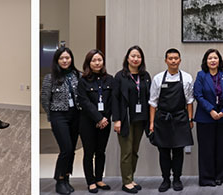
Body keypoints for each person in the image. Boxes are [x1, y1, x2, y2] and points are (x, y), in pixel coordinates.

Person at [149, 48, 194, 192]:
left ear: (180, 60)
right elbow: (153, 102)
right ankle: (165, 179)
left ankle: (177, 179)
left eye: (176, 58)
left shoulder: (187, 77)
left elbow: (189, 101)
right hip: (162, 119)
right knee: (163, 152)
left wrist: (190, 119)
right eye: (170, 58)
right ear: (166, 61)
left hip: (180, 118)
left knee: (178, 151)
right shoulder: (158, 78)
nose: (173, 61)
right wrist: (151, 123)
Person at [112, 46, 151, 194]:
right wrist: (116, 120)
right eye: (133, 56)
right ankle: (126, 181)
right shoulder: (120, 76)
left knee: (134, 151)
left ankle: (131, 177)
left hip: (140, 120)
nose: (135, 59)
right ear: (127, 58)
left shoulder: (145, 75)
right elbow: (115, 100)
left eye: (138, 56)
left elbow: (149, 97)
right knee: (126, 151)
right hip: (125, 119)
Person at [41, 47, 80, 194]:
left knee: (72, 150)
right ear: (57, 60)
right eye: (62, 58)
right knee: (66, 149)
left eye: (67, 58)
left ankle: (67, 178)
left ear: (71, 59)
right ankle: (59, 179)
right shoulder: (50, 77)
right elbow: (45, 99)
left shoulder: (77, 75)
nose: (65, 61)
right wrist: (51, 116)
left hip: (75, 116)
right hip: (59, 116)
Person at [193, 49, 223, 187]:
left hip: (222, 118)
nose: (213, 60)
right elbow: (198, 95)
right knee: (206, 149)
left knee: (222, 148)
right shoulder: (201, 75)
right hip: (205, 118)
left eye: (215, 58)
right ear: (206, 61)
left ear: (219, 61)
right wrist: (211, 110)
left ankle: (220, 176)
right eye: (210, 58)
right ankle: (206, 178)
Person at [77, 50, 114, 193]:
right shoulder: (83, 81)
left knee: (101, 151)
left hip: (105, 122)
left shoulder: (110, 79)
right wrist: (98, 118)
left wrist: (105, 119)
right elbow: (84, 102)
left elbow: (112, 101)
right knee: (89, 152)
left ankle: (99, 179)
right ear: (88, 63)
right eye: (94, 60)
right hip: (87, 122)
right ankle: (90, 181)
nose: (97, 63)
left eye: (99, 60)